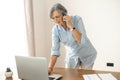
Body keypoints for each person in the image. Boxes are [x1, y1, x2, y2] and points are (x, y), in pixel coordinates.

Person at [48, 3, 97, 74]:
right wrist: (50, 68)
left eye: (57, 17)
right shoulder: (55, 30)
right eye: (53, 18)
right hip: (71, 57)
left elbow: (81, 40)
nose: (55, 20)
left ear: (64, 14)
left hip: (86, 55)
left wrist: (71, 26)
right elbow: (55, 50)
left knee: (86, 77)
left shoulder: (77, 19)